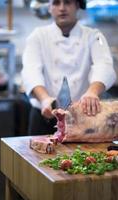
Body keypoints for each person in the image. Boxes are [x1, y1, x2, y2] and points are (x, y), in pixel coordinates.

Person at [21, 0, 116, 135]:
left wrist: (92, 92)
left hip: (82, 117)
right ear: (49, 7)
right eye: (56, 3)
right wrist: (44, 99)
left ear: (77, 6)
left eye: (67, 2)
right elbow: (30, 71)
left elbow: (104, 66)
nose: (62, 8)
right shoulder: (37, 36)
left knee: (82, 155)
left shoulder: (95, 36)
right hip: (45, 116)